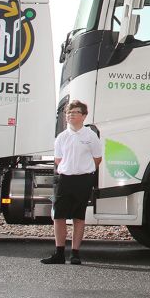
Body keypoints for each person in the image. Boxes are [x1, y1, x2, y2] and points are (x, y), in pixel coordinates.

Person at [41, 100, 101, 265]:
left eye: (75, 112)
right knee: (59, 216)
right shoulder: (62, 137)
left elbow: (97, 158)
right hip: (65, 179)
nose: (70, 115)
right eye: (68, 112)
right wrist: (70, 168)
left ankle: (75, 254)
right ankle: (59, 253)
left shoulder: (90, 136)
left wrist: (83, 169)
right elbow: (58, 160)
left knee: (78, 216)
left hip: (84, 179)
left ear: (84, 116)